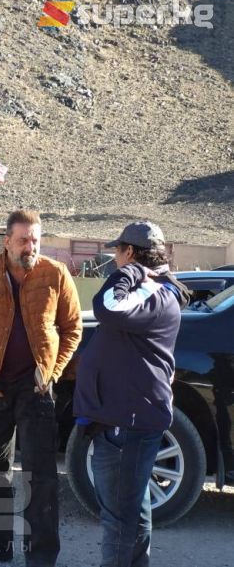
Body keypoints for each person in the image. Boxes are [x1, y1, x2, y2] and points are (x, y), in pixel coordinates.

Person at [0, 209, 82, 566]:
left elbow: (72, 328)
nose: (30, 246)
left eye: (35, 240)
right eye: (23, 240)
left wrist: (52, 372)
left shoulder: (56, 274)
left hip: (37, 390)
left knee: (41, 477)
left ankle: (41, 556)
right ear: (6, 242)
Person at [74, 221, 190, 567]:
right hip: (124, 417)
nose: (115, 259)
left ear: (131, 252)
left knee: (120, 517)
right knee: (130, 511)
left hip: (128, 421)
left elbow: (108, 306)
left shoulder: (151, 290)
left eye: (119, 252)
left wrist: (131, 272)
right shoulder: (153, 290)